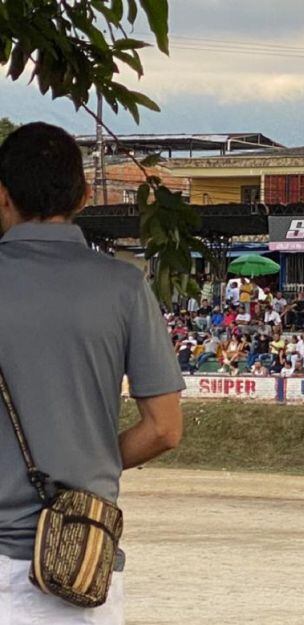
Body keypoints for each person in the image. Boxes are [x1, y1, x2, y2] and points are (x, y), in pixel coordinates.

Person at [0, 123, 185, 622]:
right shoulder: (124, 286)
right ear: (84, 195)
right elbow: (165, 430)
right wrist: (88, 462)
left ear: (2, 196)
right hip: (82, 561)